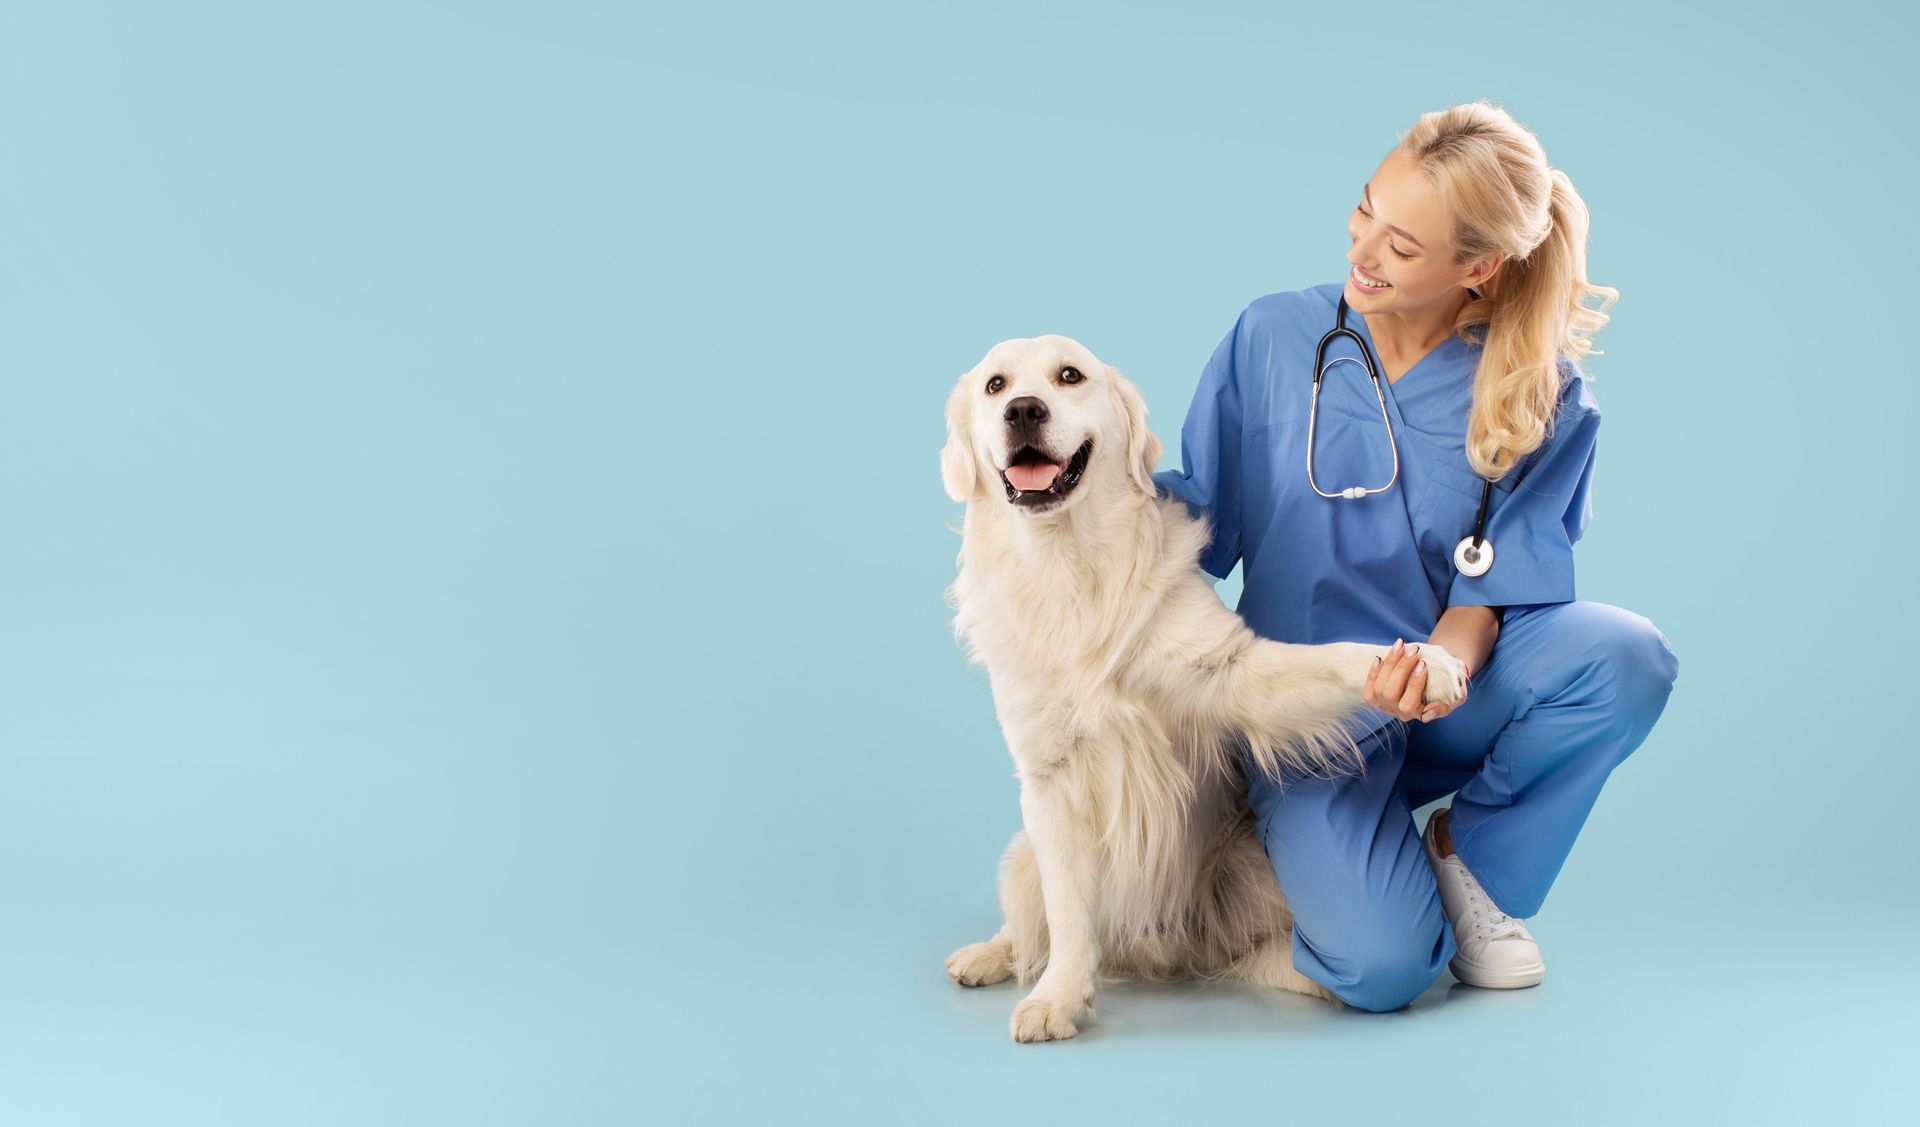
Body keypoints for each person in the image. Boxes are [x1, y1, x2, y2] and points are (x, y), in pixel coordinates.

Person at [1151, 101, 1679, 1012]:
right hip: (1307, 715)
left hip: (1445, 699)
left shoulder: (1540, 389)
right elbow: (1194, 514)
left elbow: (1495, 590)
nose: (1362, 251)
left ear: (1478, 267)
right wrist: (1081, 486)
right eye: (1365, 211)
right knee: (1383, 970)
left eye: (1402, 247)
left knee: (1626, 656)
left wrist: (1437, 665)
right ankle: (1330, 855)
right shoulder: (1273, 338)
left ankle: (1465, 858)